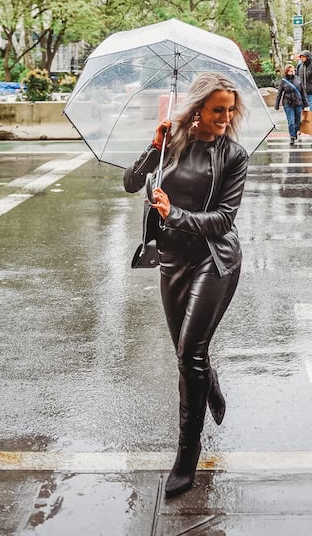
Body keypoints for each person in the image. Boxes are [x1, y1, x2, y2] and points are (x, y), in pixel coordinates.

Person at [123, 72, 248, 497]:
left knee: (189, 355)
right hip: (172, 260)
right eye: (218, 110)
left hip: (214, 261)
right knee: (187, 354)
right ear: (197, 109)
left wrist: (173, 213)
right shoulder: (171, 143)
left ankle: (186, 455)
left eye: (230, 110)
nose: (225, 118)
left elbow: (223, 221)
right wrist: (153, 145)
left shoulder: (233, 155)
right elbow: (130, 183)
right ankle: (208, 379)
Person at [274, 63, 304, 145]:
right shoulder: (283, 81)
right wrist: (276, 105)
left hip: (298, 103)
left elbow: (303, 92)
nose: (293, 72)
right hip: (288, 103)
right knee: (291, 121)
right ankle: (292, 137)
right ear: (287, 72)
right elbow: (279, 93)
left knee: (298, 120)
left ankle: (295, 132)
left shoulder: (298, 79)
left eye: (293, 71)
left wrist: (306, 104)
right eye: (291, 71)